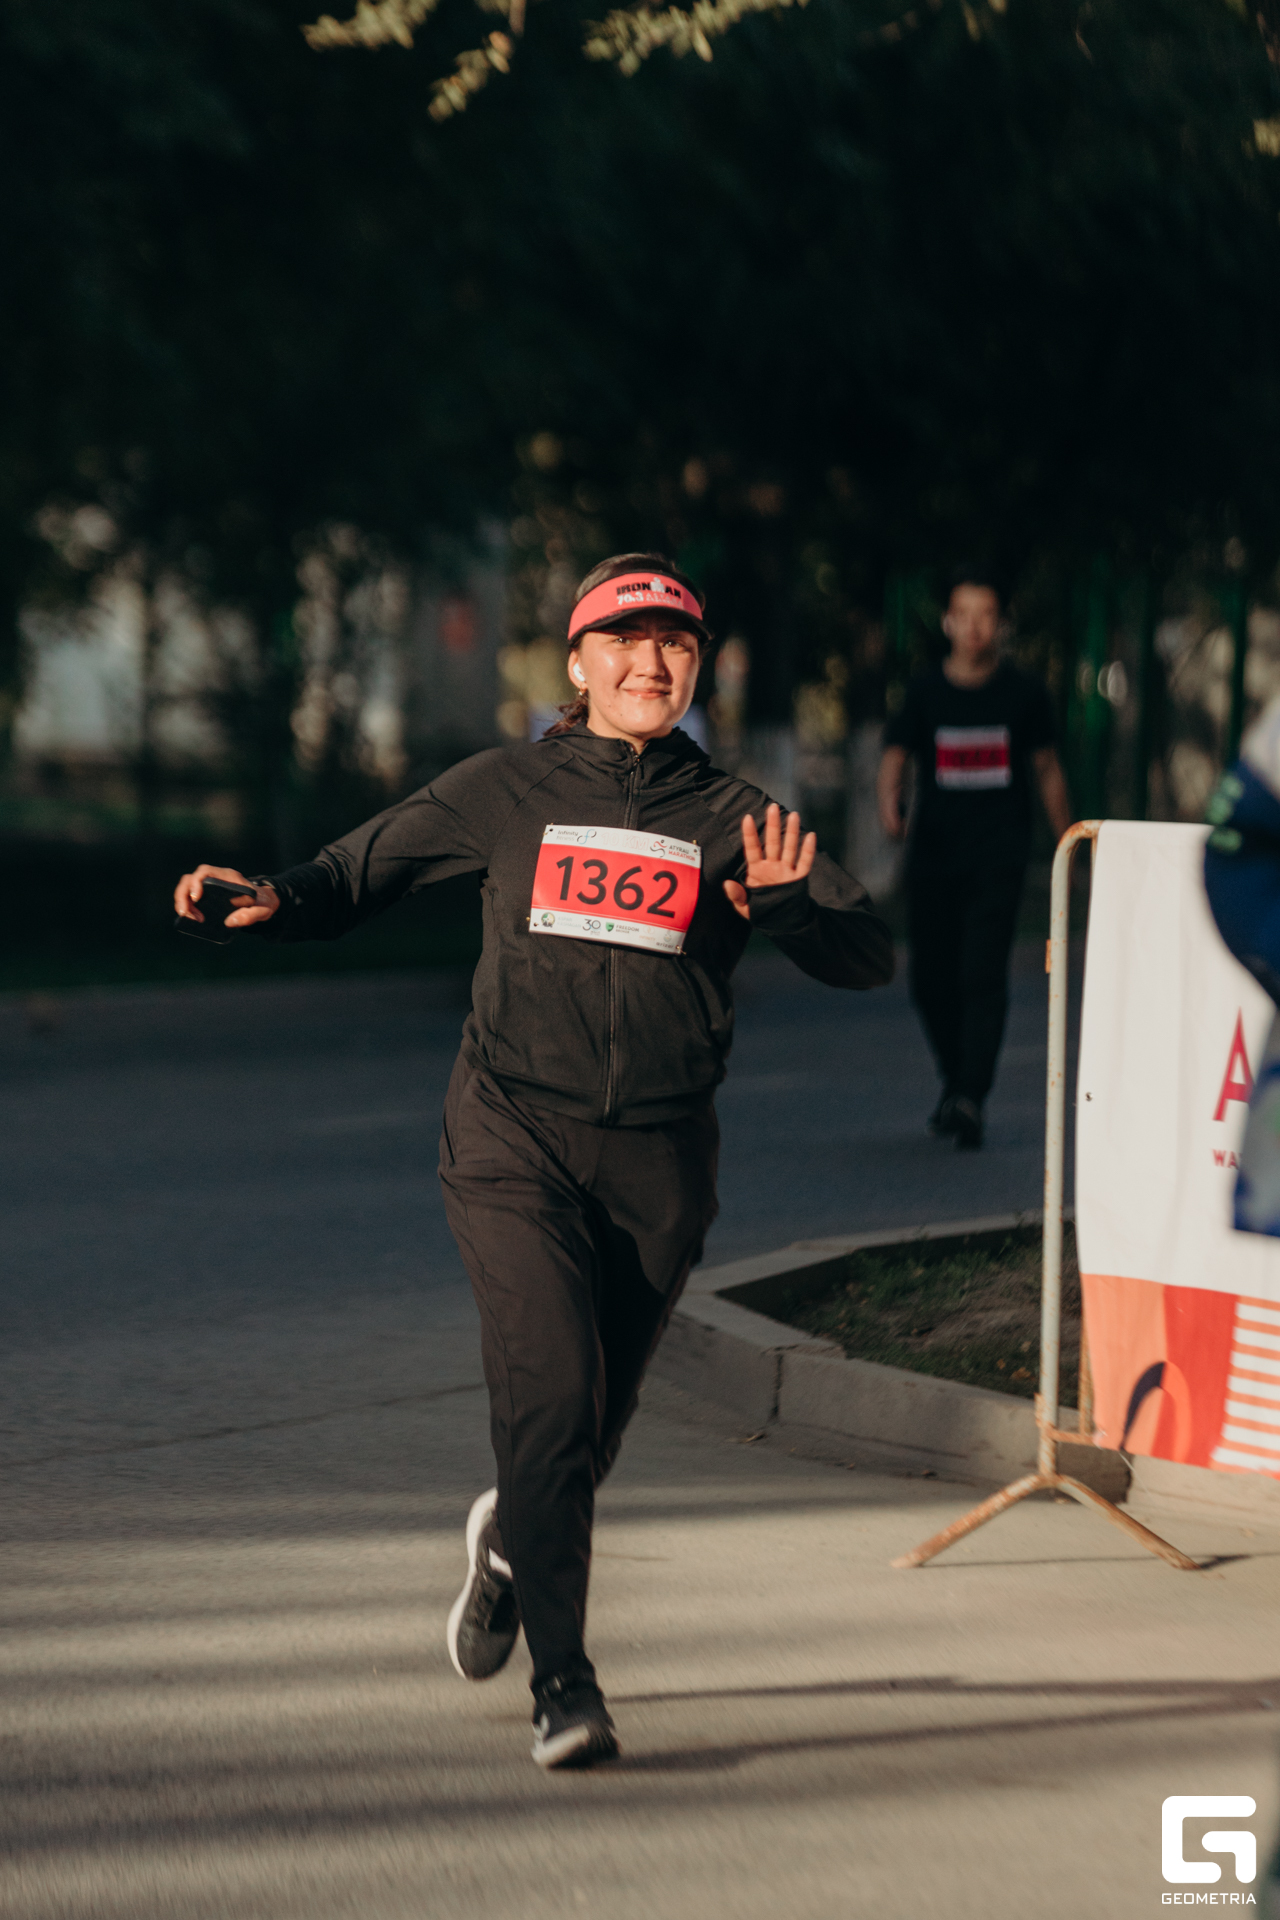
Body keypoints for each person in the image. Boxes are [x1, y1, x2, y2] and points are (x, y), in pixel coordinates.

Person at [175, 552, 895, 1769]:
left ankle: (512, 1541)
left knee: (585, 1429)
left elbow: (865, 954)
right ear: (577, 662)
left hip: (660, 1162)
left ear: (697, 666)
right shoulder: (507, 789)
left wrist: (782, 910)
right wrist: (270, 899)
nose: (648, 660)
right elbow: (357, 872)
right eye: (623, 639)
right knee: (551, 1396)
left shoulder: (733, 818)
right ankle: (564, 1685)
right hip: (512, 1135)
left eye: (673, 642)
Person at [876, 569, 1070, 1150]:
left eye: (987, 615)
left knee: (982, 975)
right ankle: (957, 1082)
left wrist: (1070, 842)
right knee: (930, 980)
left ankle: (970, 1098)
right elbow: (895, 754)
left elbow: (1047, 768)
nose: (975, 627)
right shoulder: (925, 691)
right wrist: (890, 803)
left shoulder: (1023, 692)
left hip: (997, 858)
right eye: (965, 615)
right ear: (948, 622)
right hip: (935, 858)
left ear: (1001, 624)